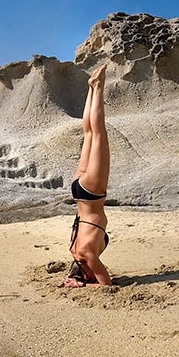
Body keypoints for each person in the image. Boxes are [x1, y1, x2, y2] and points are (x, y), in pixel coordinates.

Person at [63, 64, 112, 287]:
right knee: (89, 134)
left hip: (92, 194)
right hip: (78, 191)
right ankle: (91, 89)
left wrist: (89, 283)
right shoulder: (74, 250)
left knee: (99, 133)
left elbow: (105, 284)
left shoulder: (87, 254)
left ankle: (98, 86)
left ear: (86, 273)